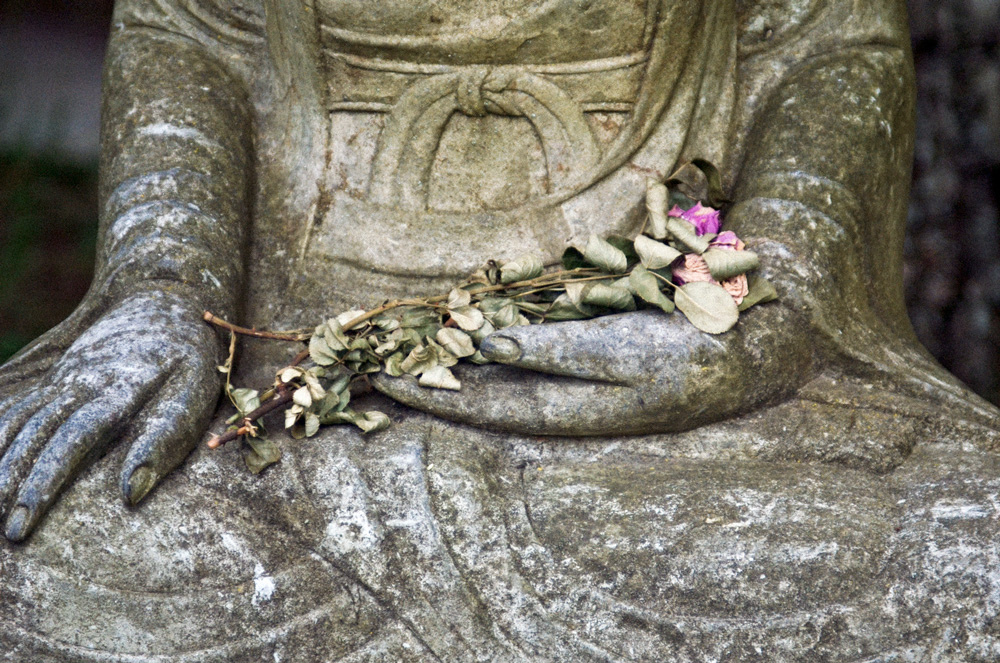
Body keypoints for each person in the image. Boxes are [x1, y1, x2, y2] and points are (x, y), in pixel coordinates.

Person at [2, 1, 998, 659]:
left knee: (968, 557)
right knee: (46, 546)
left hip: (667, 350)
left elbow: (819, 40)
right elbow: (193, 27)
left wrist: (763, 304)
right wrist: (164, 285)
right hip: (278, 346)